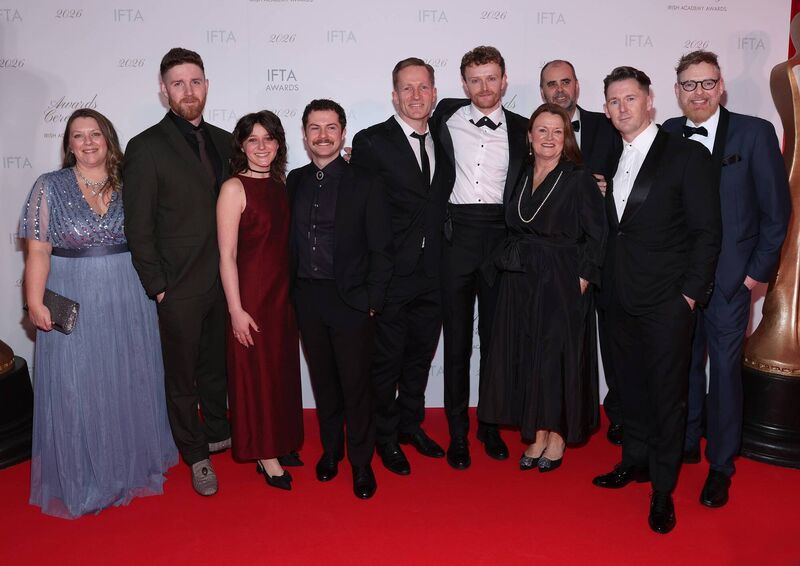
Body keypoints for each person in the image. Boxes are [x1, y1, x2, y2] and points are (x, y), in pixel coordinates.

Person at [19, 108, 177, 518]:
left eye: (95, 134)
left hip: (129, 297)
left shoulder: (130, 183)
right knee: (77, 385)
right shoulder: (49, 186)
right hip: (74, 295)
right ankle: (83, 476)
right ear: (68, 144)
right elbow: (38, 251)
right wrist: (34, 301)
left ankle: (129, 465)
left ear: (108, 139)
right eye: (78, 135)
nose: (88, 142)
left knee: (128, 378)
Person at [591, 66, 721, 534]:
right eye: (613, 101)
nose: (621, 108)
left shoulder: (686, 155)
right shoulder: (608, 155)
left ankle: (663, 489)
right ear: (606, 109)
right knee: (628, 389)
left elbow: (707, 233)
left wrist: (689, 295)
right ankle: (635, 461)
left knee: (667, 398)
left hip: (667, 301)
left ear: (650, 101)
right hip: (617, 296)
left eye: (630, 98)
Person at [663, 50, 790, 508]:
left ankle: (721, 465)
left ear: (721, 87)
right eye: (689, 84)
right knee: (682, 365)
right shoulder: (667, 133)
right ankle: (686, 440)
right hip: (680, 280)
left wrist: (754, 275)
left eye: (707, 83)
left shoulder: (755, 133)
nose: (698, 92)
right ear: (677, 91)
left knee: (724, 374)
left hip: (731, 281)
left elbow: (777, 213)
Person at [123, 47, 232, 497]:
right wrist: (158, 287)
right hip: (178, 285)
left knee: (216, 367)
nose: (188, 91)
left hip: (225, 282)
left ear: (206, 85)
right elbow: (138, 225)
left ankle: (220, 431)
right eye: (178, 83)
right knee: (182, 377)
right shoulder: (145, 146)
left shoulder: (227, 140)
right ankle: (195, 454)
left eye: (195, 81)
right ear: (164, 90)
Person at [479, 103, 606, 472]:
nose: (549, 138)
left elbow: (598, 235)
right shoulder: (520, 173)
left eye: (557, 131)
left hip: (562, 280)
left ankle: (558, 435)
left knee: (556, 359)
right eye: (542, 130)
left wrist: (582, 279)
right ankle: (536, 432)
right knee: (529, 356)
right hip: (521, 281)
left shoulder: (578, 178)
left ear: (567, 138)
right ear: (529, 136)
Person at [429, 45, 528, 470]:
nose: (484, 87)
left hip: (500, 241)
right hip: (455, 238)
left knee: (495, 341)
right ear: (464, 84)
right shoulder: (443, 119)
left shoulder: (524, 129)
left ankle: (489, 425)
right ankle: (457, 432)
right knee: (455, 342)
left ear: (504, 80)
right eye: (475, 79)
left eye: (491, 78)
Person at [288, 99, 393, 499]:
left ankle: (361, 463)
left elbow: (382, 248)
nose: (323, 136)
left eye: (331, 127)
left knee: (356, 386)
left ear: (343, 133)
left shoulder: (366, 182)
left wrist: (372, 300)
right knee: (324, 383)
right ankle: (331, 452)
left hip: (351, 300)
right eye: (315, 128)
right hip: (307, 298)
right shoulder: (294, 180)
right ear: (304, 135)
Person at [350, 58, 445, 476]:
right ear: (394, 95)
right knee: (386, 362)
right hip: (390, 274)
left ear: (434, 94)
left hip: (434, 270)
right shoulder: (371, 142)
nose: (415, 95)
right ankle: (384, 438)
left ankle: (410, 425)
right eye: (407, 88)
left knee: (419, 359)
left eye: (423, 87)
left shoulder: (445, 136)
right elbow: (360, 211)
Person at [217, 111, 304, 491]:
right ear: (241, 145)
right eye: (253, 139)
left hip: (282, 295)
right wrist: (236, 309)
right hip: (251, 295)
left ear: (279, 143)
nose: (262, 146)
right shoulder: (233, 188)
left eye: (268, 138)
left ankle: (280, 440)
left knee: (279, 371)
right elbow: (227, 255)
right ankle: (265, 454)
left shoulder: (280, 184)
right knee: (257, 374)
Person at [539, 59, 625, 445]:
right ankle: (551, 420)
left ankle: (618, 414)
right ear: (542, 91)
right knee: (553, 346)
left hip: (602, 253)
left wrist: (607, 190)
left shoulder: (608, 125)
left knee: (612, 340)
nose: (559, 89)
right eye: (551, 84)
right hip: (552, 260)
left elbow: (632, 174)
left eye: (565, 82)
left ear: (576, 86)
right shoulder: (535, 132)